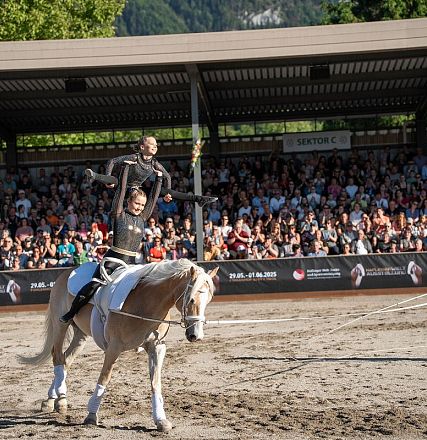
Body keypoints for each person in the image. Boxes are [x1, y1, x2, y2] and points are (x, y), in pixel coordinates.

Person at [60, 161, 163, 323]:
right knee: (94, 285)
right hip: (112, 261)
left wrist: (159, 178)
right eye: (137, 203)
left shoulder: (143, 217)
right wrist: (126, 169)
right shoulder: (119, 213)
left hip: (131, 263)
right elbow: (121, 190)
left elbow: (153, 198)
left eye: (142, 205)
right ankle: (71, 313)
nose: (140, 207)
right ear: (129, 201)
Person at [85, 135, 217, 208]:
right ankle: (94, 175)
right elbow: (112, 161)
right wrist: (108, 175)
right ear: (142, 147)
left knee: (163, 190)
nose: (155, 146)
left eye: (156, 145)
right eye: (152, 144)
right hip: (122, 186)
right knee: (114, 179)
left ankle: (198, 199)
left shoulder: (155, 163)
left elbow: (167, 177)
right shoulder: (134, 157)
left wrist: (168, 193)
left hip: (138, 189)